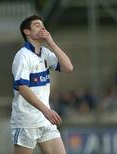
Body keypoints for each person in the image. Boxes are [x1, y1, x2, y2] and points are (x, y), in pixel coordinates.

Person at [10, 15, 73, 154]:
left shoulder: (45, 53)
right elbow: (22, 87)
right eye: (37, 25)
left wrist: (51, 42)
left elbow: (68, 67)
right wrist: (46, 110)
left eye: (43, 25)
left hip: (45, 121)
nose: (42, 27)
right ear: (27, 32)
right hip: (26, 122)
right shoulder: (23, 56)